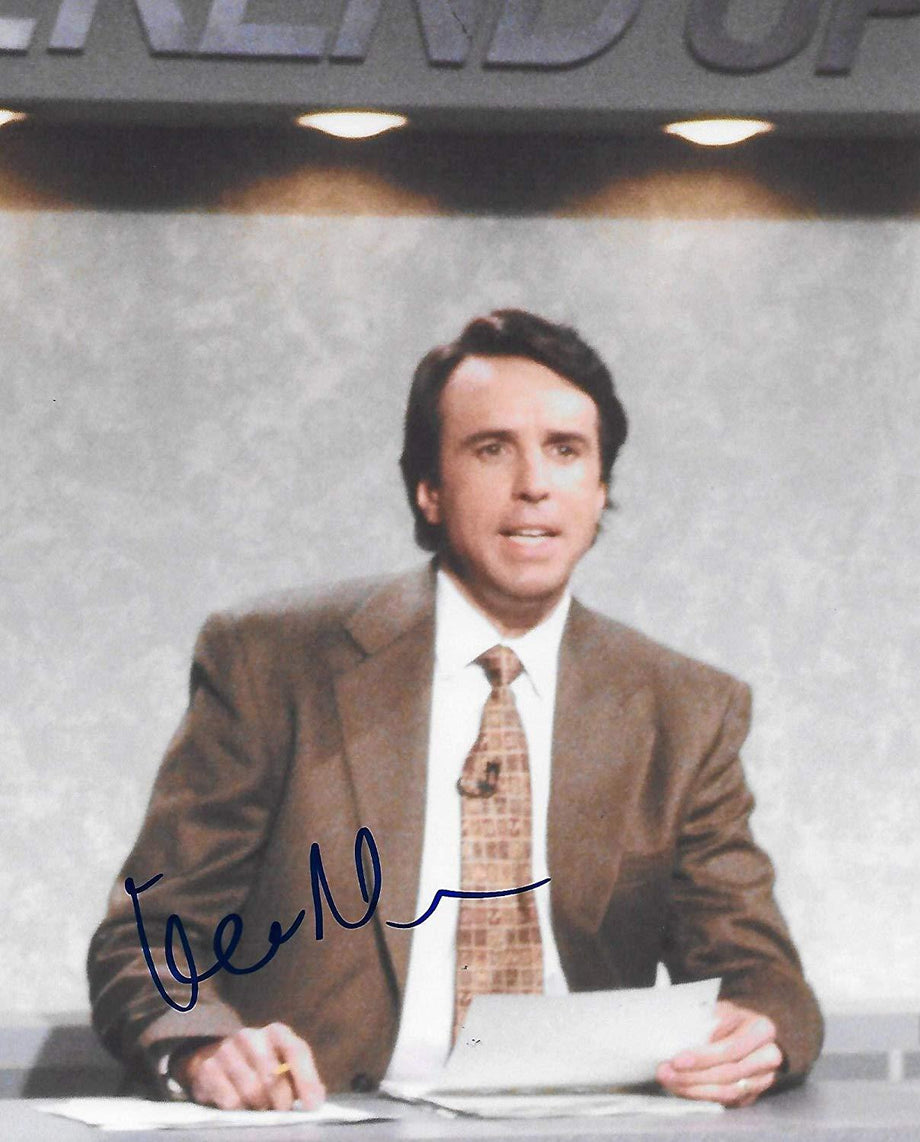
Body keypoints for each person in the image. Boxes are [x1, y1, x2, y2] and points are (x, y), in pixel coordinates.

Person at [88, 309, 823, 1113]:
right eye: (492, 449)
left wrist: (757, 1034)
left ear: (600, 488)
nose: (534, 483)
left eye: (566, 450)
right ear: (429, 489)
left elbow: (763, 981)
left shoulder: (684, 708)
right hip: (325, 1121)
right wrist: (205, 1048)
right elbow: (147, 936)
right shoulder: (272, 661)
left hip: (579, 1125)